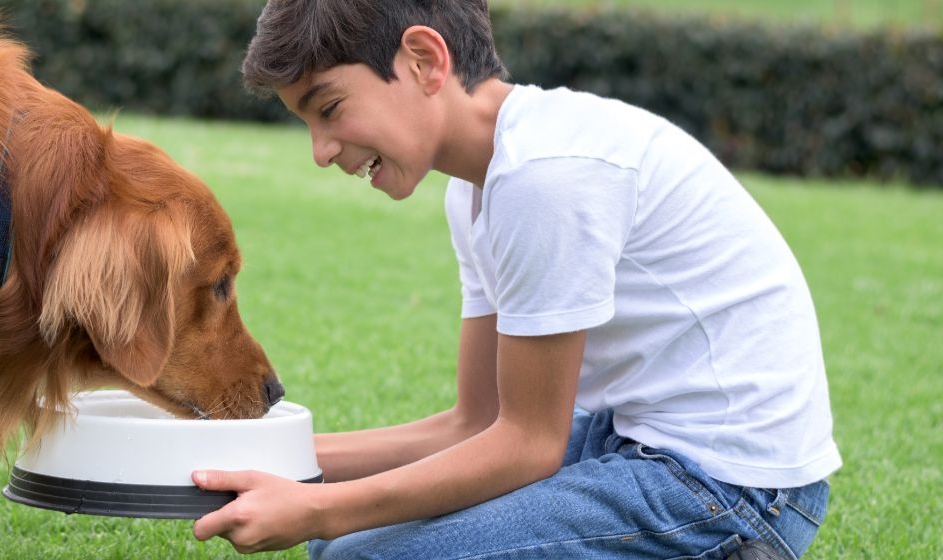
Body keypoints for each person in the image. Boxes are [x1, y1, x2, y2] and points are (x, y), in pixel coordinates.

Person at [188, 1, 842, 558]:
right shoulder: (478, 190)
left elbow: (528, 445)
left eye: (328, 109)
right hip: (637, 438)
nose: (320, 151)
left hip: (736, 490)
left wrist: (318, 509)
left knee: (356, 548)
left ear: (423, 61)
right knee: (339, 542)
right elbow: (478, 422)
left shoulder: (544, 177)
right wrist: (270, 460)